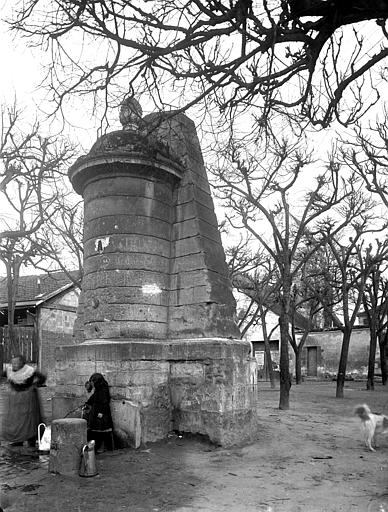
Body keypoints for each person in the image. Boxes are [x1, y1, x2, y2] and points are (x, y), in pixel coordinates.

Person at [1, 354, 46, 447]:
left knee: (30, 420)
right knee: (16, 419)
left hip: (28, 398)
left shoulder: (29, 371)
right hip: (15, 400)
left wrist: (35, 385)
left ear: (22, 363)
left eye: (17, 362)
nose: (14, 364)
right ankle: (18, 440)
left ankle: (31, 439)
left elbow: (42, 378)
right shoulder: (9, 370)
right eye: (13, 362)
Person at [82, 373, 113, 453]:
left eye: (93, 381)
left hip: (102, 413)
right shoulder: (98, 389)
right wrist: (87, 403)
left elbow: (105, 402)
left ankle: (103, 447)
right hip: (96, 412)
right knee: (95, 430)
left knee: (102, 431)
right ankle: (96, 447)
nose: (92, 383)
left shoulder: (104, 390)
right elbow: (93, 397)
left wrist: (101, 412)